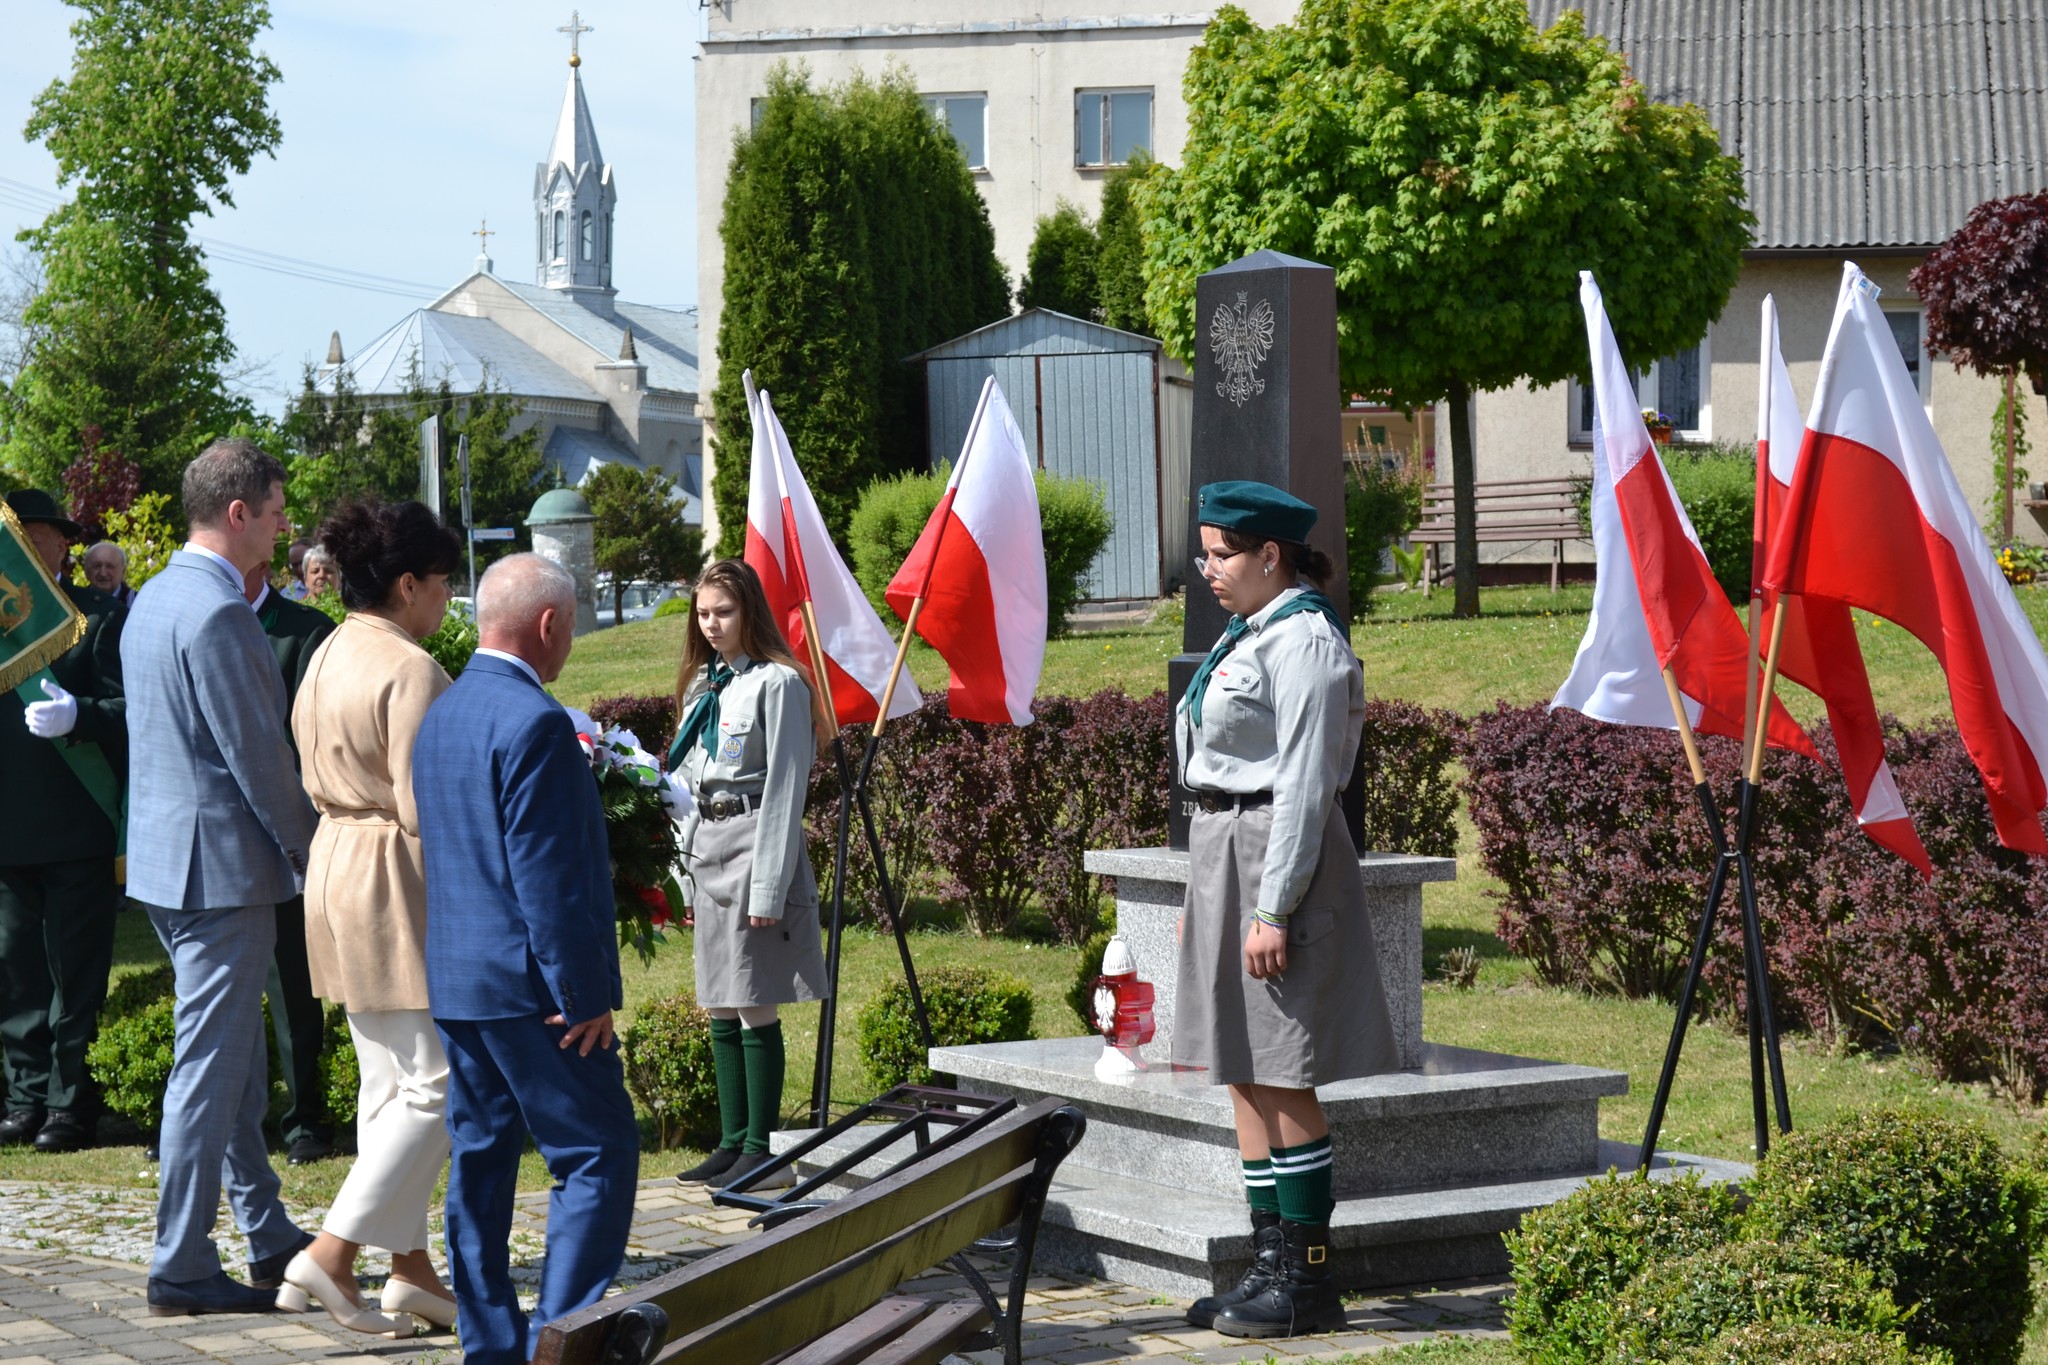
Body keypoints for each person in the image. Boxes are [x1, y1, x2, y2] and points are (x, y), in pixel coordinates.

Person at [1174, 481, 1399, 1341]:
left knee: (1281, 1064)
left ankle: (1307, 1276)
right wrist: (1208, 896)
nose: (1207, 570)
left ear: (1271, 554)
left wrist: (1272, 906)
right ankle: (1266, 1259)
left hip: (1276, 853)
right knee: (1240, 1060)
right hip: (1225, 848)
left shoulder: (1305, 639)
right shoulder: (1249, 630)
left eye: (1221, 554)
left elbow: (1307, 783)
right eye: (1204, 553)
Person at [413, 553, 639, 1365]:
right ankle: (563, 1340)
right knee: (596, 1152)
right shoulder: (537, 721)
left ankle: (491, 1347)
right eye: (570, 627)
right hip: (534, 990)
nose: (568, 642)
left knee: (479, 1162)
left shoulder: (442, 710)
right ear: (548, 624)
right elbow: (549, 880)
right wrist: (584, 994)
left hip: (460, 979)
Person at [121, 438, 316, 1316]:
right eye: (274, 511)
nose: (284, 526)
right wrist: (314, 852)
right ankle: (182, 1262)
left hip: (172, 866)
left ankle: (266, 1232)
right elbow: (259, 758)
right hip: (222, 875)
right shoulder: (220, 613)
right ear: (237, 513)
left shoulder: (156, 597)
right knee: (209, 1067)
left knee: (231, 1062)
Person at [277, 501, 463, 1335]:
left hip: (334, 862)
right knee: (439, 1082)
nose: (449, 597)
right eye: (443, 581)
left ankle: (410, 1268)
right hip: (389, 868)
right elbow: (428, 808)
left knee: (388, 1081)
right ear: (409, 583)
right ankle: (332, 1252)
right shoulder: (409, 666)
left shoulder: (327, 649)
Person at [667, 558, 828, 1189]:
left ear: (750, 612)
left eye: (724, 612)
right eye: (703, 613)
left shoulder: (778, 684)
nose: (712, 624)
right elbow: (684, 786)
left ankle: (762, 1151)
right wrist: (680, 873)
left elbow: (786, 789)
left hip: (753, 841)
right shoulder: (703, 688)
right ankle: (732, 1141)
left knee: (754, 998)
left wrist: (769, 885)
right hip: (707, 845)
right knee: (719, 999)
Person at [0, 491, 126, 1154]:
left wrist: (81, 715)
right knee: (17, 972)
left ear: (59, 544)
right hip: (9, 826)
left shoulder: (96, 617)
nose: (21, 547)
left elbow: (132, 707)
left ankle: (69, 1103)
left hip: (79, 826)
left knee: (74, 975)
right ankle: (25, 1095)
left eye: (33, 534)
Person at [241, 560, 338, 1168]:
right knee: (215, 990)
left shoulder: (302, 630)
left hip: (283, 831)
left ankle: (305, 1118)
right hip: (216, 833)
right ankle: (227, 1117)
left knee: (293, 986)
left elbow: (307, 739)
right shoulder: (200, 621)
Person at [82, 540, 137, 607]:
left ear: (123, 571)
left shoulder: (138, 602)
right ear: (86, 570)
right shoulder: (77, 601)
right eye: (97, 566)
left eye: (110, 566)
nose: (103, 573)